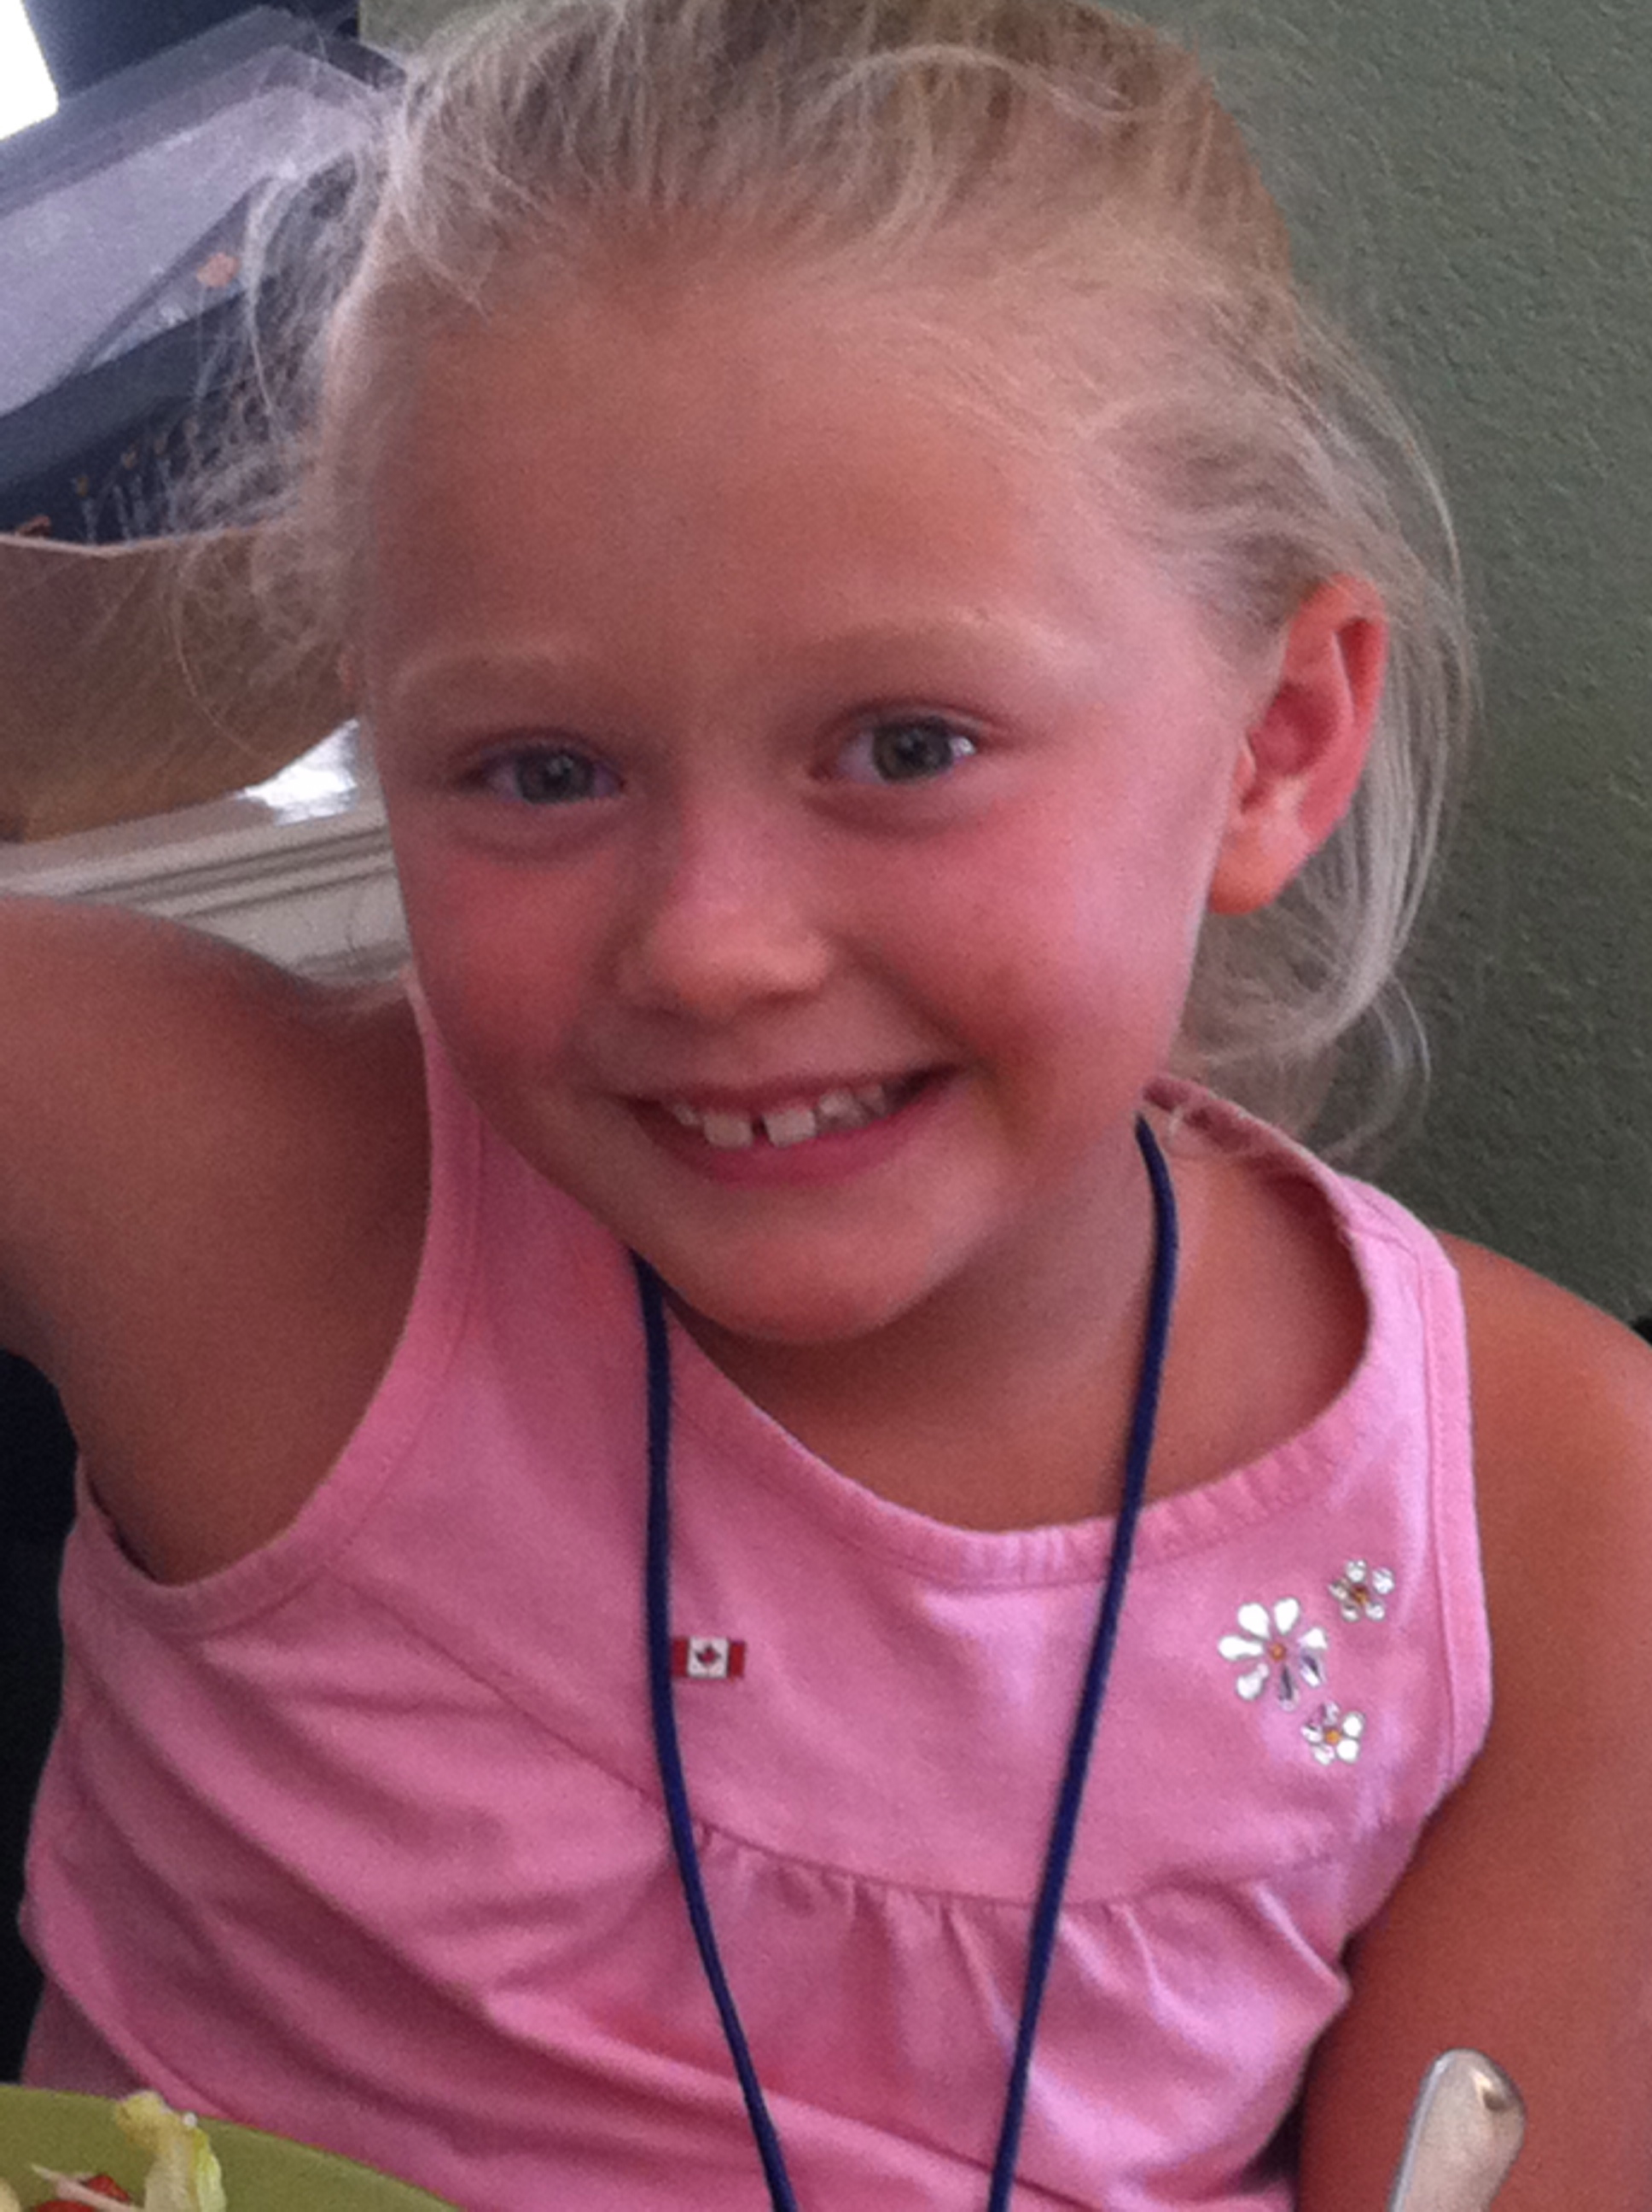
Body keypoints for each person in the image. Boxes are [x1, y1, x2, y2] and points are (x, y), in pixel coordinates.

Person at [3, 2, 1649, 2204]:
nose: (711, 946)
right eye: (540, 770)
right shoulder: (240, 1199)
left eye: (906, 748)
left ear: (1273, 746)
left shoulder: (1544, 1510)